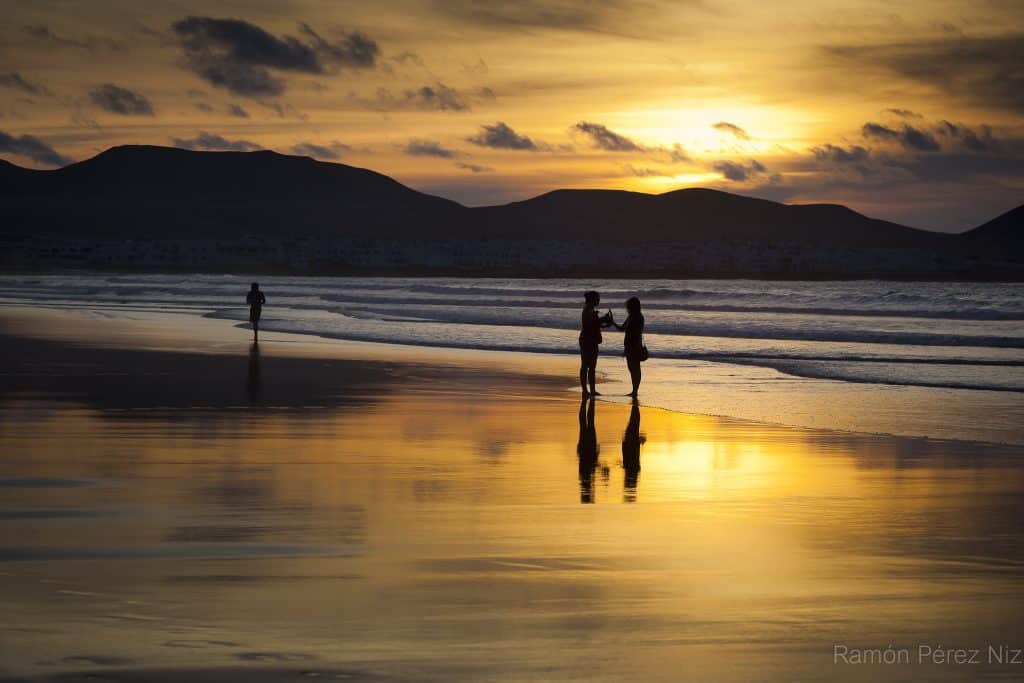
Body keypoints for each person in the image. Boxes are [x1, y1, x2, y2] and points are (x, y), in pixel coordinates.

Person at [579, 291, 613, 396]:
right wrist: (604, 320)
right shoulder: (588, 310)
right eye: (597, 298)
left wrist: (603, 322)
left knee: (588, 366)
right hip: (588, 340)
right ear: (592, 299)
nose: (599, 300)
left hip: (588, 339)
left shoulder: (588, 309)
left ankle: (589, 390)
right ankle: (587, 390)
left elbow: (593, 324)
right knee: (588, 366)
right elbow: (592, 324)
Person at [611, 296, 645, 397]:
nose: (627, 308)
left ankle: (635, 391)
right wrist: (612, 322)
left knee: (635, 368)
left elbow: (635, 332)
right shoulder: (631, 316)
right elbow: (622, 328)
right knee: (632, 368)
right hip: (629, 345)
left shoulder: (638, 317)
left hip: (635, 345)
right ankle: (634, 390)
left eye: (628, 306)